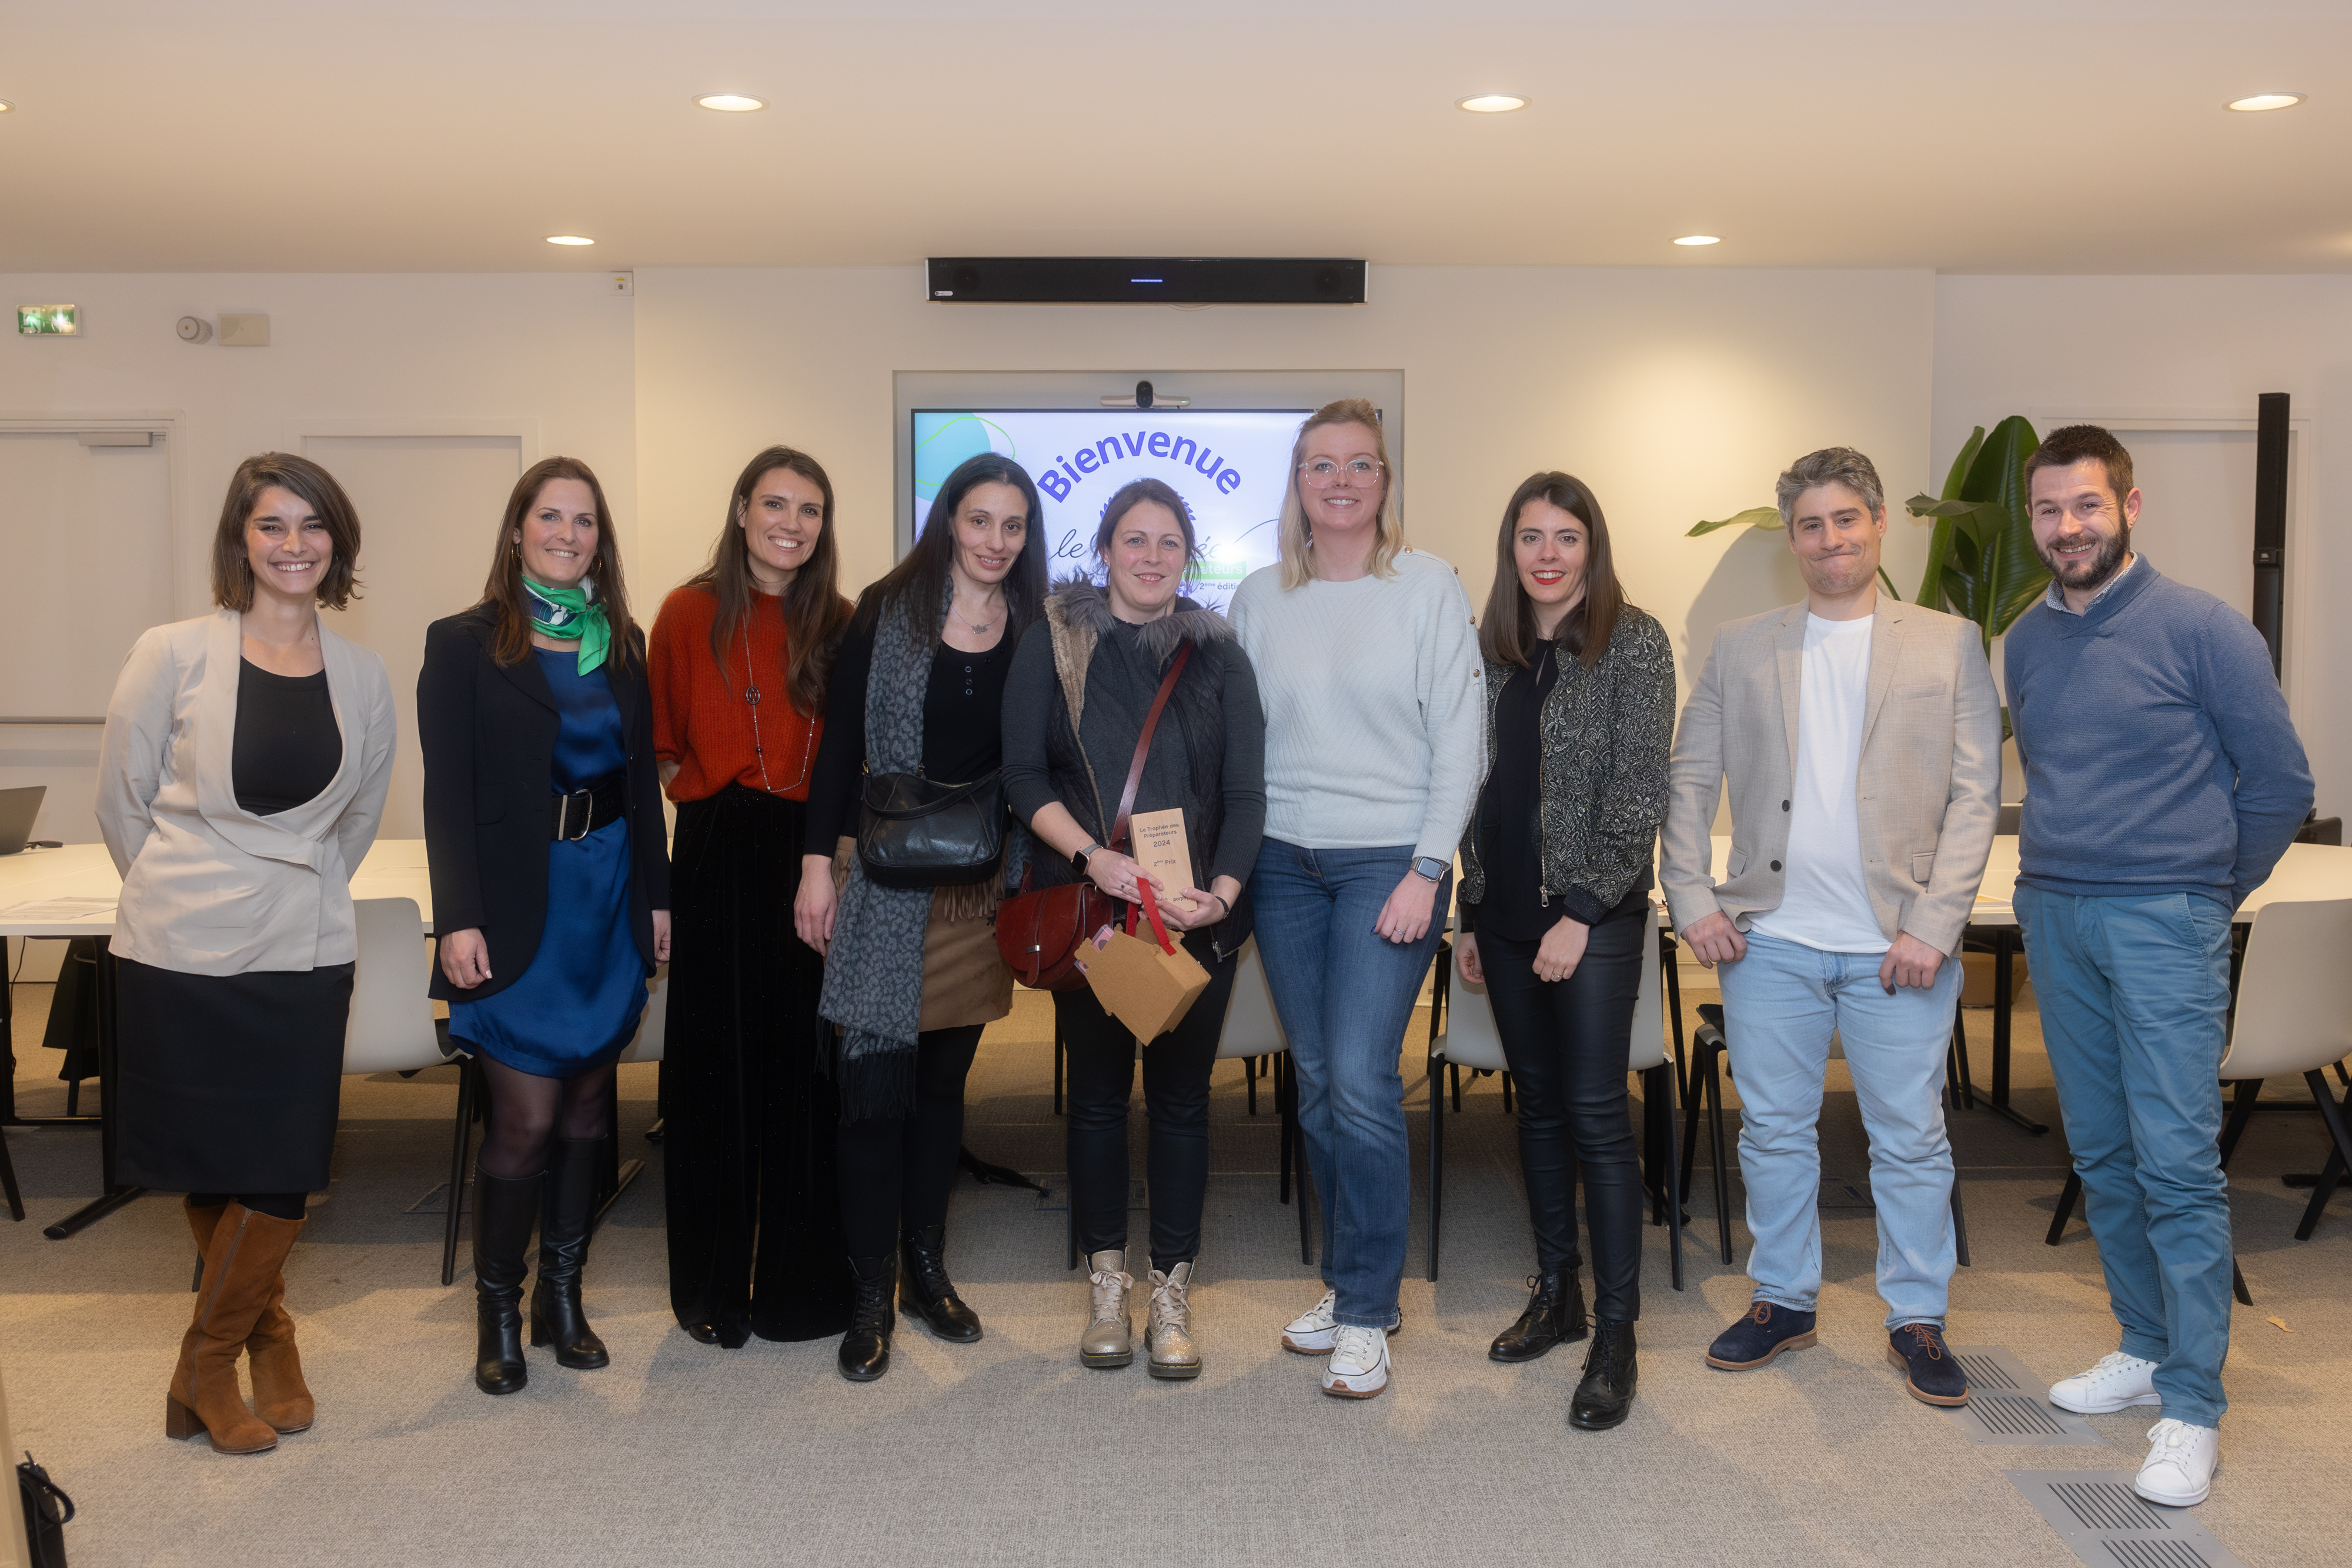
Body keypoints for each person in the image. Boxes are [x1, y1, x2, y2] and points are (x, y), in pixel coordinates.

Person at [2005, 425, 2311, 1506]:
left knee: (2178, 1162)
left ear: (2130, 507)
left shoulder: (2206, 629)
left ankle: (2194, 1405)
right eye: (2048, 510)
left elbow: (2278, 782)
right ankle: (2141, 1346)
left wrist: (2202, 891)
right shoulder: (2027, 640)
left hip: (2161, 920)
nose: (2067, 527)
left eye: (2086, 505)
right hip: (2055, 911)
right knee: (2102, 1149)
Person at [1659, 446, 1999, 1409]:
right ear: (1793, 538)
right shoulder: (1743, 644)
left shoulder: (1948, 642)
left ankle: (1916, 1315)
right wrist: (1693, 899)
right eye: (1810, 525)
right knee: (1772, 1130)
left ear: (1879, 522)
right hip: (1773, 940)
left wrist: (1934, 924)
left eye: (1846, 519)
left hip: (1902, 943)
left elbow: (1978, 794)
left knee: (1910, 1135)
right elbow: (1689, 781)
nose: (1829, 539)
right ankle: (1783, 1299)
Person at [97, 452, 396, 1455]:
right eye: (273, 526)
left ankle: (200, 1365)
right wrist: (192, 886)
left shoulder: (361, 673)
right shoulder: (173, 652)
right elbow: (122, 803)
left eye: (314, 527)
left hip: (302, 945)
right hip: (179, 941)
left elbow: (356, 819)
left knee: (282, 1163)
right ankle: (258, 1347)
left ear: (337, 545)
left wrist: (287, 883)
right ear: (241, 540)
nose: (294, 545)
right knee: (208, 1156)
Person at [1228, 397, 1484, 1400]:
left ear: (1386, 482)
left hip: (1389, 861)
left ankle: (1370, 1308)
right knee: (1321, 1079)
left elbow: (1462, 736)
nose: (1341, 480)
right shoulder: (1259, 597)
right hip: (1285, 862)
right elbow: (1238, 747)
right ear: (1297, 484)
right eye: (1321, 465)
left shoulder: (1426, 587)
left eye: (1361, 465)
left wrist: (1429, 869)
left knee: (1365, 1084)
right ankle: (1349, 1280)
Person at [1002, 478, 1267, 1380]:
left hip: (1193, 921)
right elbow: (1022, 777)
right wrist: (1093, 860)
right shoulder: (1054, 643)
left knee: (1186, 1105)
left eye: (1168, 544)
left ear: (1186, 559)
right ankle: (1108, 1281)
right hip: (1095, 917)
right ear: (1105, 548)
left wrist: (1224, 893)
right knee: (1102, 1102)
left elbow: (1246, 794)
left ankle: (1172, 1289)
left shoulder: (1220, 655)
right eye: (1134, 540)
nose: (1151, 557)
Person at [419, 455, 671, 1398]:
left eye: (586, 522)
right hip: (518, 902)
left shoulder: (621, 643)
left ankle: (563, 1297)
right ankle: (498, 1308)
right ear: (518, 527)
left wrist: (658, 897)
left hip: (605, 897)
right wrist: (460, 918)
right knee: (523, 1120)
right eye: (551, 517)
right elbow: (448, 793)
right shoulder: (464, 642)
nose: (569, 535)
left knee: (591, 1112)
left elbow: (640, 783)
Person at [795, 452, 1045, 1382]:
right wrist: (816, 865)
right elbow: (838, 751)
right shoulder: (886, 611)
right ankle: (870, 1295)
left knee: (943, 1092)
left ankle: (927, 1271)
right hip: (883, 882)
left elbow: (1039, 763)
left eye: (1013, 526)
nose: (995, 541)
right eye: (980, 520)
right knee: (873, 1097)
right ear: (948, 520)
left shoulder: (1031, 628)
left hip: (974, 891)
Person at [1453, 472, 1673, 1431]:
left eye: (1566, 537)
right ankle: (1560, 1291)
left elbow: (1639, 789)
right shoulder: (1489, 649)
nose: (1547, 555)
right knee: (1536, 1106)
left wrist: (1581, 911)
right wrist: (1470, 907)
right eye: (1531, 537)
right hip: (1500, 917)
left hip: (1596, 918)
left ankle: (1617, 1333)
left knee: (1592, 1111)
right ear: (1512, 550)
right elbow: (1471, 786)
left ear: (1594, 547)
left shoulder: (1634, 642)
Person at [650, 445, 855, 1348]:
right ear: (740, 511)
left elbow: (848, 761)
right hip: (715, 849)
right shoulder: (685, 613)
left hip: (810, 855)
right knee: (713, 1074)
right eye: (776, 504)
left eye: (810, 511)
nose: (792, 524)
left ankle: (799, 1290)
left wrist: (825, 860)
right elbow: (658, 745)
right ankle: (712, 1290)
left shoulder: (841, 622)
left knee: (805, 1074)